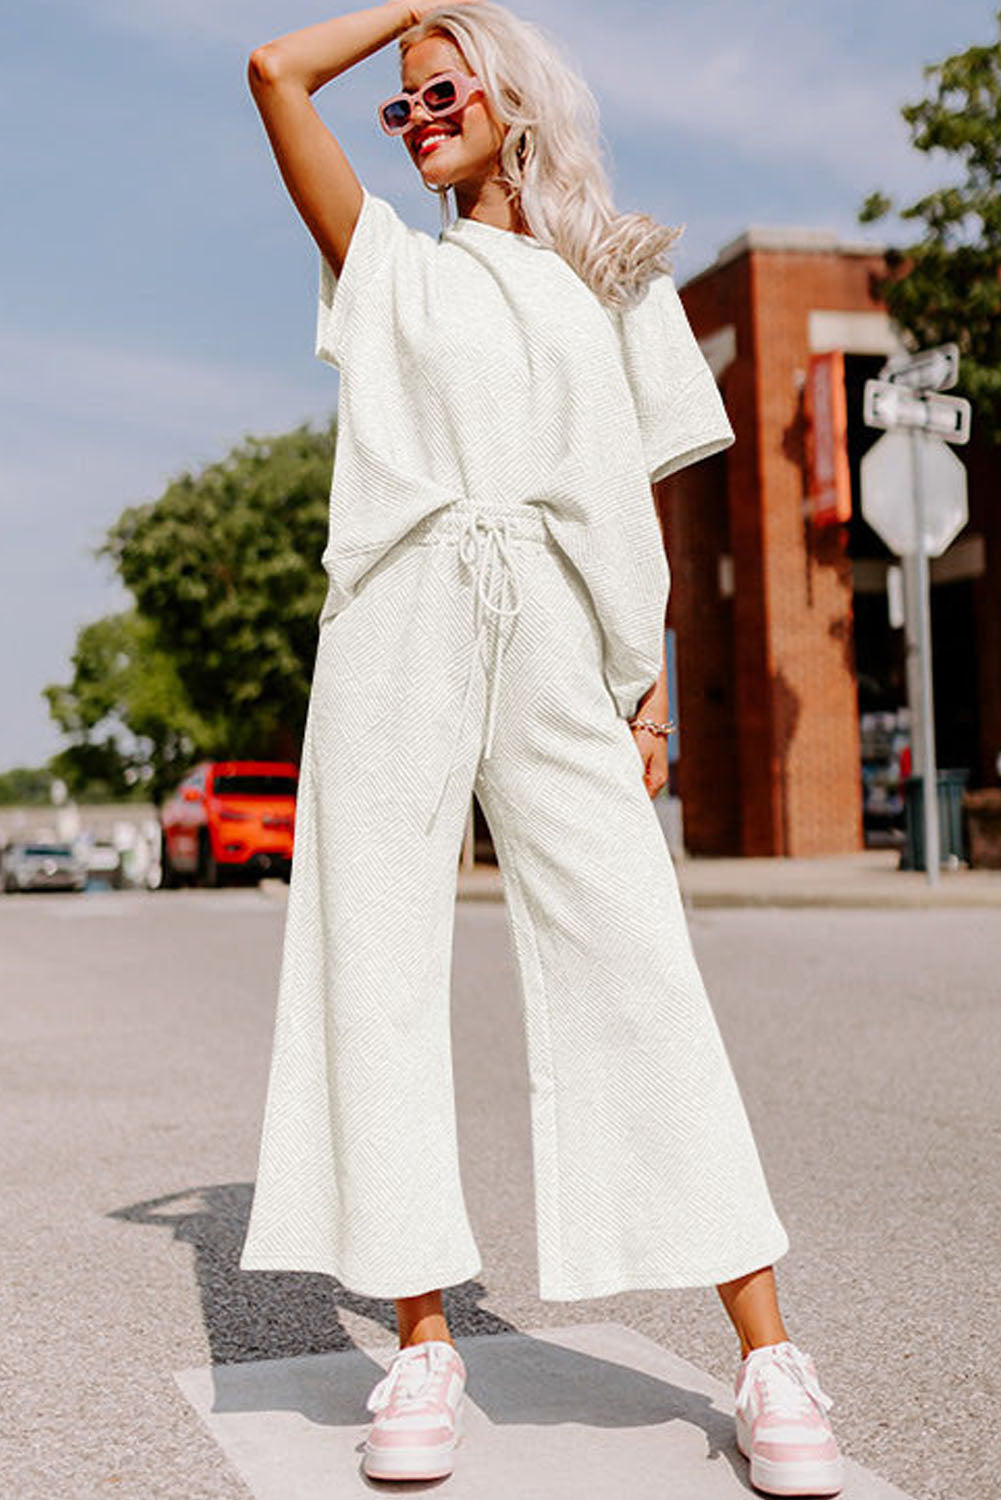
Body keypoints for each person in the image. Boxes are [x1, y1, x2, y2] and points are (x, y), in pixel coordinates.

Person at [238, 3, 844, 1493]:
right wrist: (409, 11)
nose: (414, 117)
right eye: (398, 107)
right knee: (371, 969)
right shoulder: (382, 263)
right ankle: (423, 1342)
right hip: (398, 627)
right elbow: (269, 71)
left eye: (437, 91)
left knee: (636, 969)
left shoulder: (619, 277)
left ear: (508, 100)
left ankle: (769, 1355)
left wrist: (644, 693)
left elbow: (634, 508)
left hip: (567, 648)